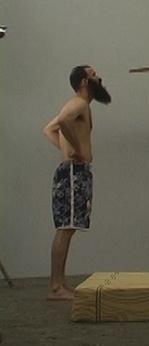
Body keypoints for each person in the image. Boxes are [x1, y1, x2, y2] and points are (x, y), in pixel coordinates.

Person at [43, 65, 111, 300]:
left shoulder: (81, 106)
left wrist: (66, 149)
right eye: (94, 75)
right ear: (84, 81)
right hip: (73, 172)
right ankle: (55, 287)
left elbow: (48, 129)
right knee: (65, 229)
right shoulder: (79, 104)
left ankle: (59, 283)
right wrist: (77, 150)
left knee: (68, 227)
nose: (99, 78)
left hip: (74, 171)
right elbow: (63, 120)